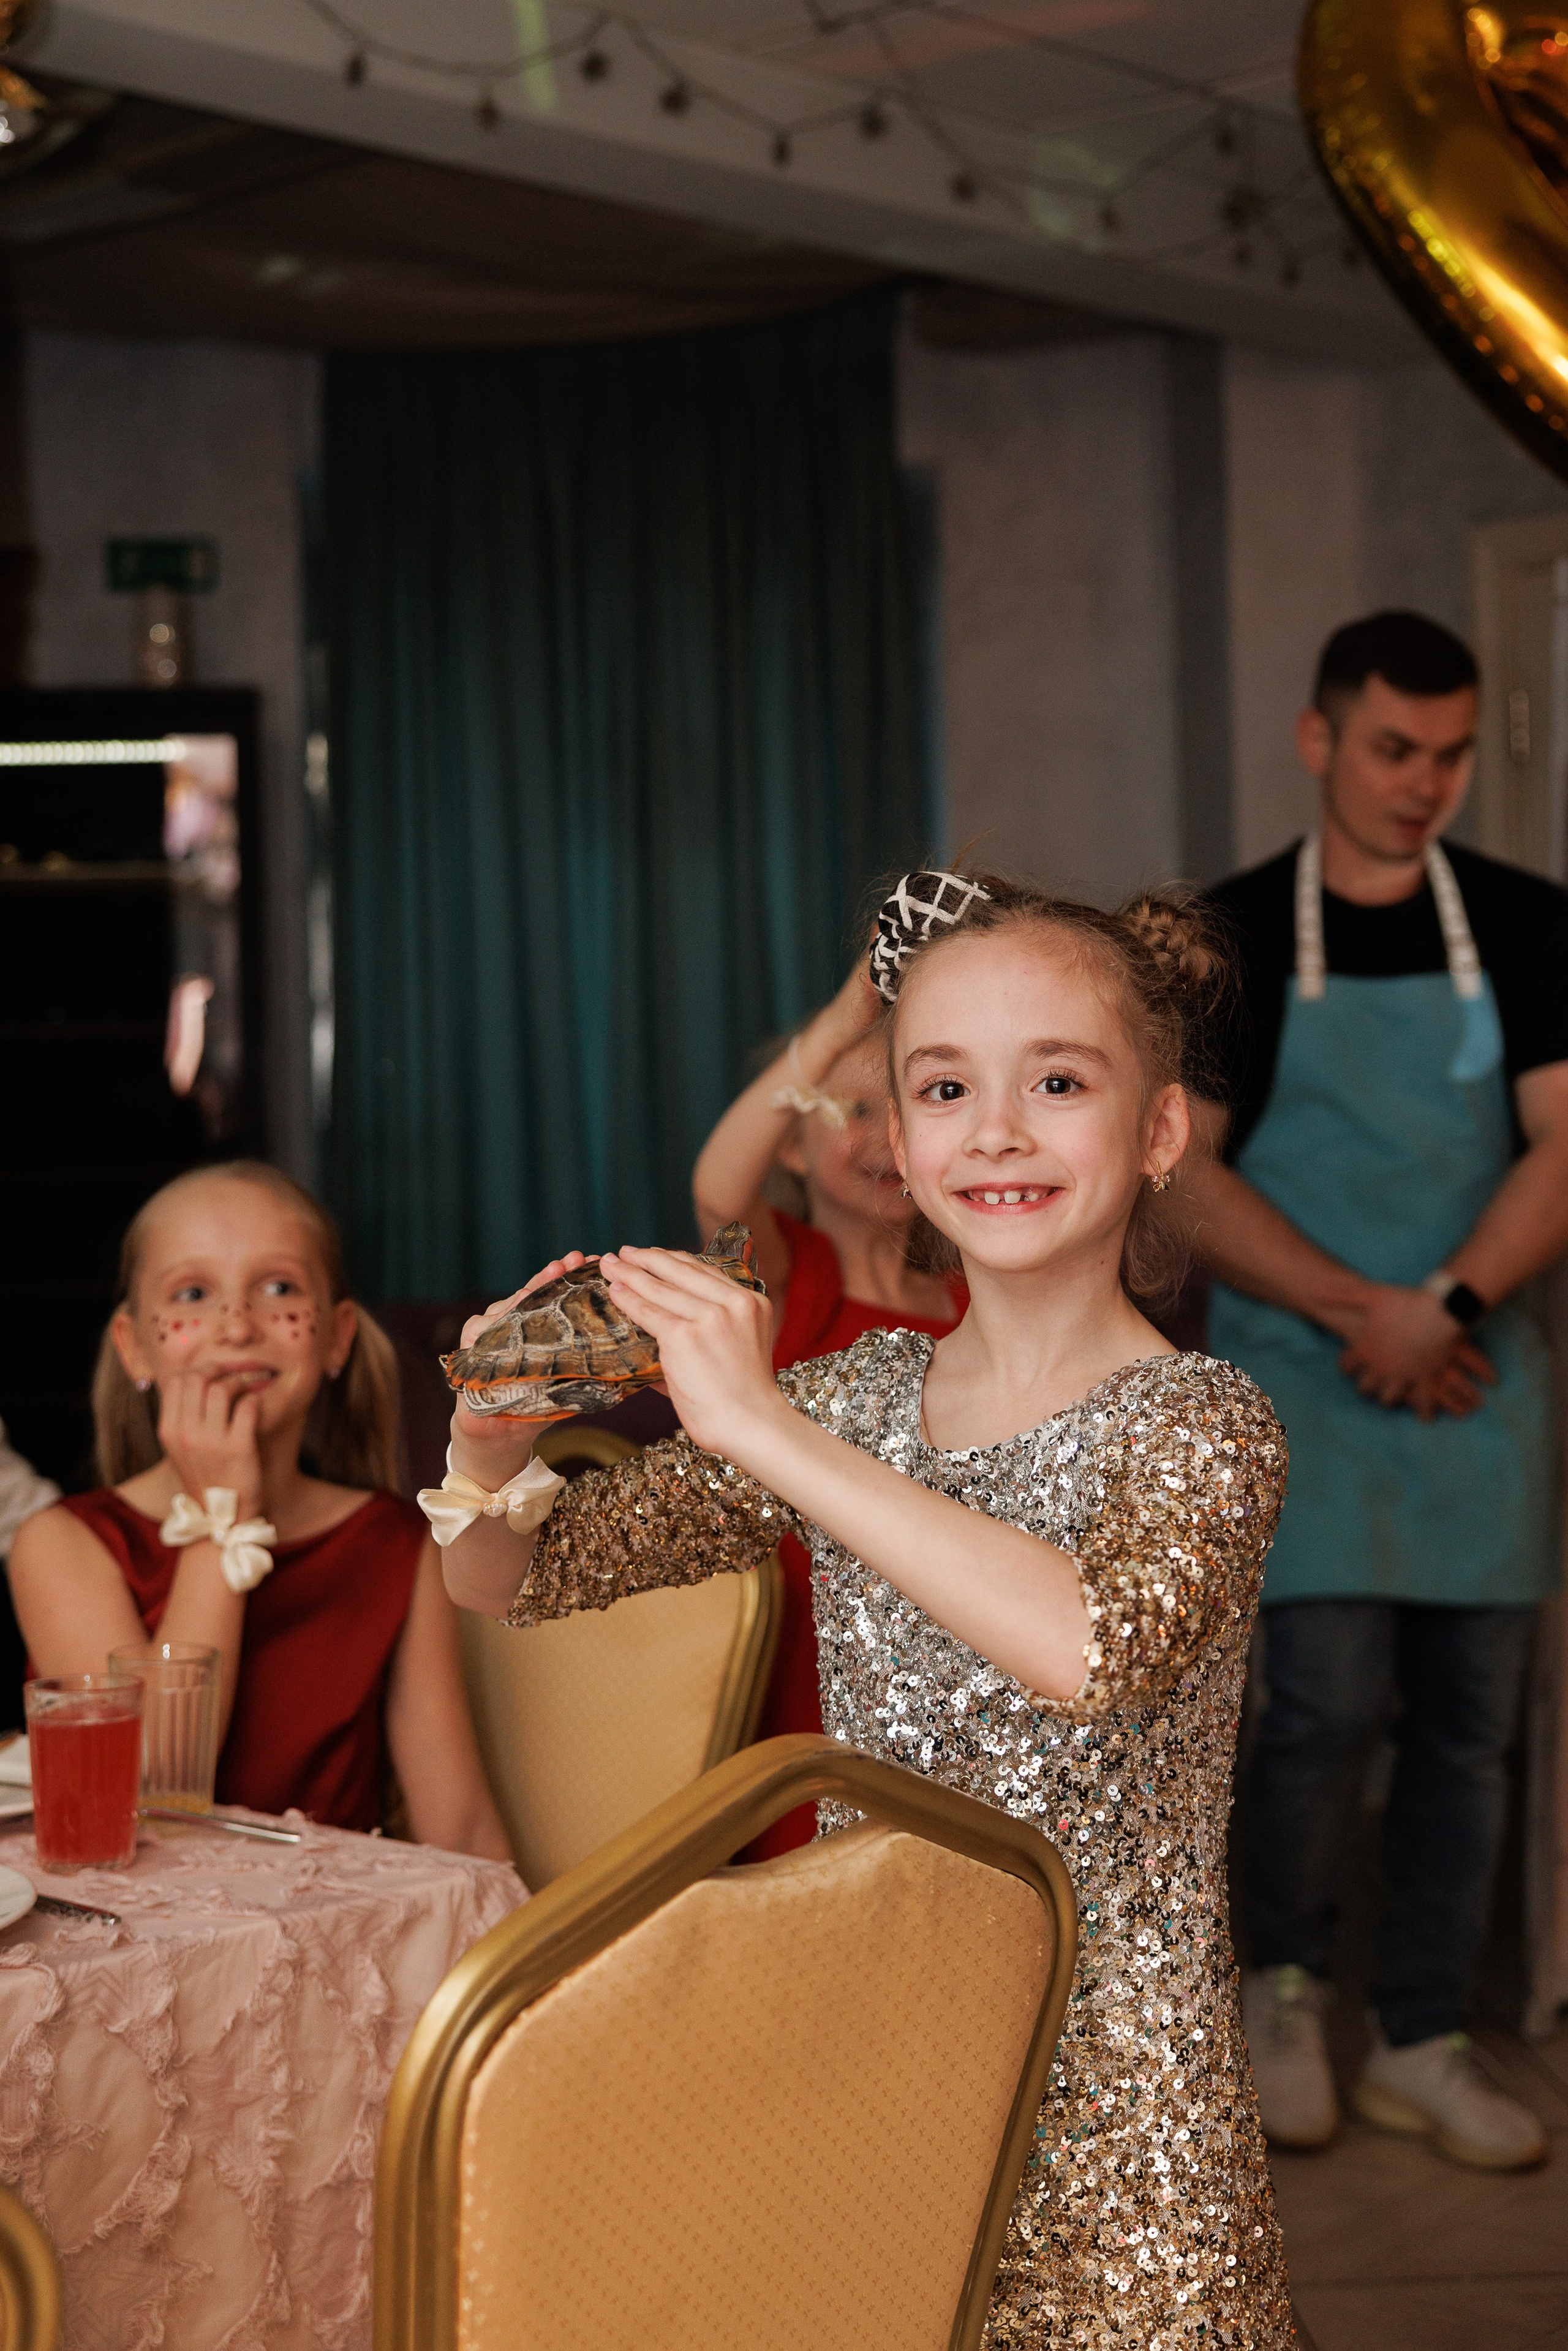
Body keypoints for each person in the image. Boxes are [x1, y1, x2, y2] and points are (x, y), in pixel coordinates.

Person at [432, 870, 1295, 2348]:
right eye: (945, 1087)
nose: (996, 1129)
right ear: (898, 1139)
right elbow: (514, 1578)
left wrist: (765, 1428)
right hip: (879, 2079)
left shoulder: (1203, 1422)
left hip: (1124, 2137)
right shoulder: (854, 1399)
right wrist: (486, 1439)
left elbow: (1091, 1643)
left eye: (1057, 1082)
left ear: (1159, 1131)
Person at [1194, 611, 1568, 2169]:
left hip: (1477, 1385)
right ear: (1318, 739)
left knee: (1468, 1730)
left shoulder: (1528, 923)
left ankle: (1420, 2031)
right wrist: (1368, 1313)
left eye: (1449, 755)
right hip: (1303, 1381)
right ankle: (1282, 1992)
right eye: (1393, 748)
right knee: (1320, 1713)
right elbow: (1181, 1175)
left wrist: (1447, 1304)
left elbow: (1562, 1142)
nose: (1423, 782)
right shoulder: (1223, 937)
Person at [9, 1162, 510, 1857]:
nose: (238, 1326)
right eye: (192, 1293)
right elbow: (154, 1782)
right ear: (134, 1348)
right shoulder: (61, 1543)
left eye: (278, 1288)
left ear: (337, 1336)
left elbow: (460, 1827)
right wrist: (223, 1515)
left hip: (336, 1915)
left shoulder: (394, 1545)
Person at [692, 961, 963, 1853]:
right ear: (790, 1145)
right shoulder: (789, 1270)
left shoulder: (971, 1295)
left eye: (910, 1108)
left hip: (947, 1631)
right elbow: (717, 1188)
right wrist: (847, 1017)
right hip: (806, 1634)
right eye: (854, 1110)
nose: (886, 1134)